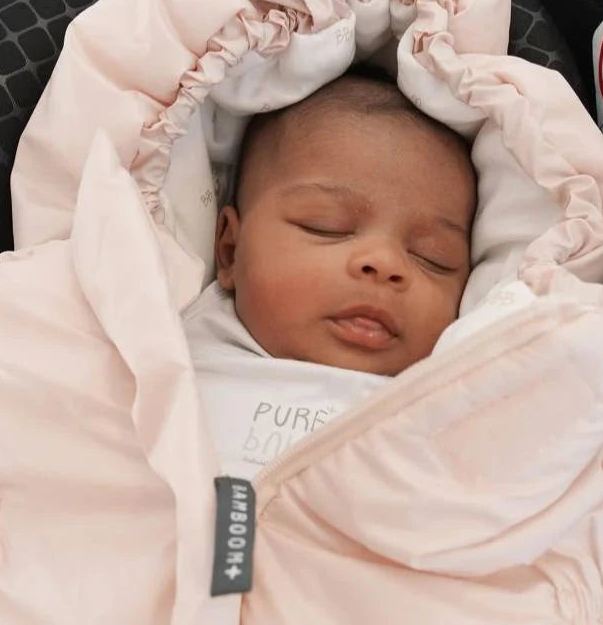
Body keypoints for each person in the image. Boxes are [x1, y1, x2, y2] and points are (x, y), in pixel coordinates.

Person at [181, 64, 477, 477]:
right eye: (326, 227)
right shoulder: (168, 340)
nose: (385, 263)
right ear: (231, 251)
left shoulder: (458, 405)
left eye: (432, 257)